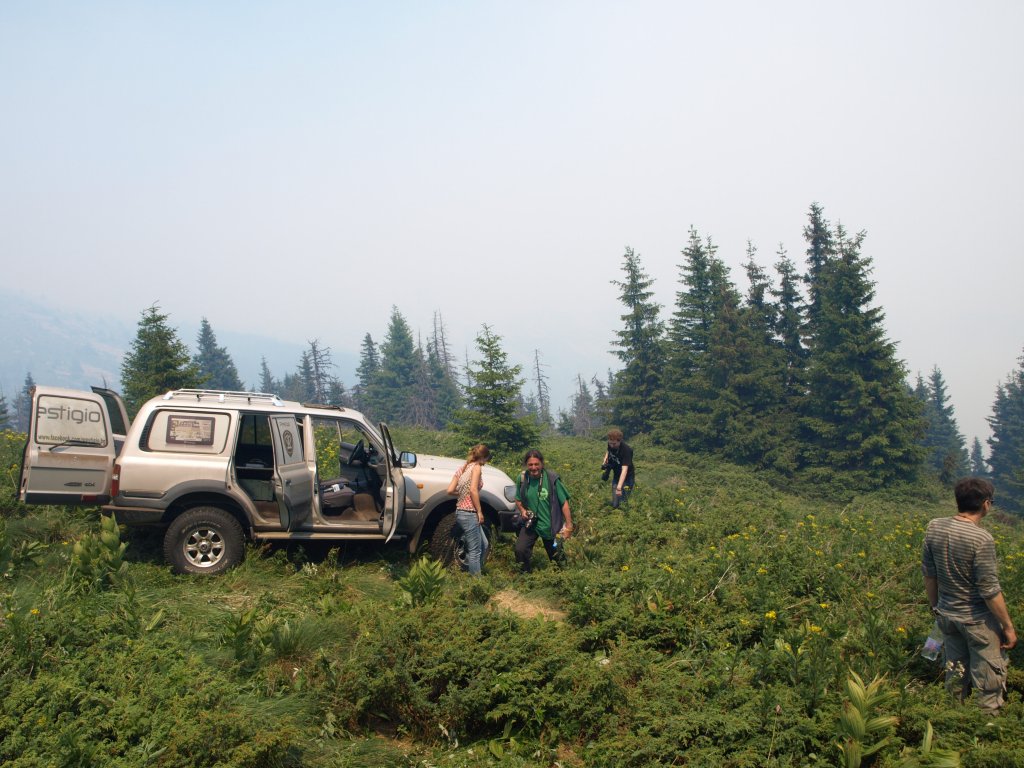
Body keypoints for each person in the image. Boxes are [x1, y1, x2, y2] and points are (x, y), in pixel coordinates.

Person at [922, 477, 1017, 713]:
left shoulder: (935, 526)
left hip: (947, 616)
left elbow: (929, 574)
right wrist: (1008, 627)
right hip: (977, 621)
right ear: (986, 504)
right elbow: (990, 590)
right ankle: (985, 731)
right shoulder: (981, 539)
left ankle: (951, 724)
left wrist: (936, 606)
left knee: (955, 675)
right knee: (988, 682)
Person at [514, 449, 574, 573]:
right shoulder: (522, 478)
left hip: (550, 526)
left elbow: (564, 504)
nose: (533, 467)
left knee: (556, 555)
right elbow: (517, 499)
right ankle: (526, 577)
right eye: (530, 465)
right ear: (526, 465)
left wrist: (569, 526)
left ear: (542, 464)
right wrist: (523, 510)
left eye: (536, 464)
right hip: (531, 524)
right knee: (520, 549)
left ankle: (562, 579)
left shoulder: (552, 479)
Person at [446, 443, 491, 576]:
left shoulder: (463, 468)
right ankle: (476, 584)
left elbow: (449, 490)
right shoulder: (476, 468)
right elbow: (473, 489)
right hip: (469, 513)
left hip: (461, 511)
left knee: (484, 543)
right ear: (484, 457)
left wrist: (462, 494)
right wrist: (479, 511)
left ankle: (476, 572)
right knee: (475, 550)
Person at [602, 429, 634, 509]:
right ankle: (614, 514)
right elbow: (608, 451)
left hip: (627, 478)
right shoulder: (610, 444)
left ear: (620, 441)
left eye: (614, 444)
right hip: (616, 475)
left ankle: (625, 517)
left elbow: (624, 470)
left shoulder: (626, 450)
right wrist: (605, 461)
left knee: (623, 502)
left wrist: (619, 488)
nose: (612, 445)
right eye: (610, 443)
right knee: (615, 504)